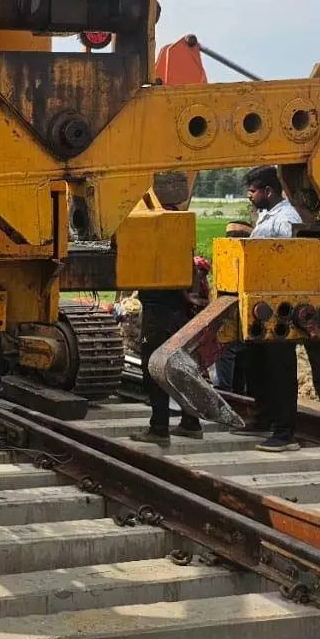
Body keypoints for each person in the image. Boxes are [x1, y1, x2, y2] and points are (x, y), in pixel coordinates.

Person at [130, 189, 209, 447]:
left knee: (154, 371)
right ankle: (190, 422)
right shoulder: (181, 230)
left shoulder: (153, 228)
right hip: (179, 313)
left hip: (158, 313)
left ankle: (159, 428)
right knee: (182, 368)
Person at [243, 165, 303, 451]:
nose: (249, 196)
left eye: (253, 191)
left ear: (269, 191)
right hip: (260, 304)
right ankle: (264, 417)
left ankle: (285, 432)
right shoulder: (265, 216)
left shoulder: (287, 218)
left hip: (280, 305)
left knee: (279, 368)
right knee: (258, 364)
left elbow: (292, 260)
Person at [213, 220, 253, 394]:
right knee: (238, 359)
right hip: (239, 321)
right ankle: (235, 393)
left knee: (227, 355)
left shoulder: (224, 255)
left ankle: (227, 391)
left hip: (231, 319)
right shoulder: (248, 256)